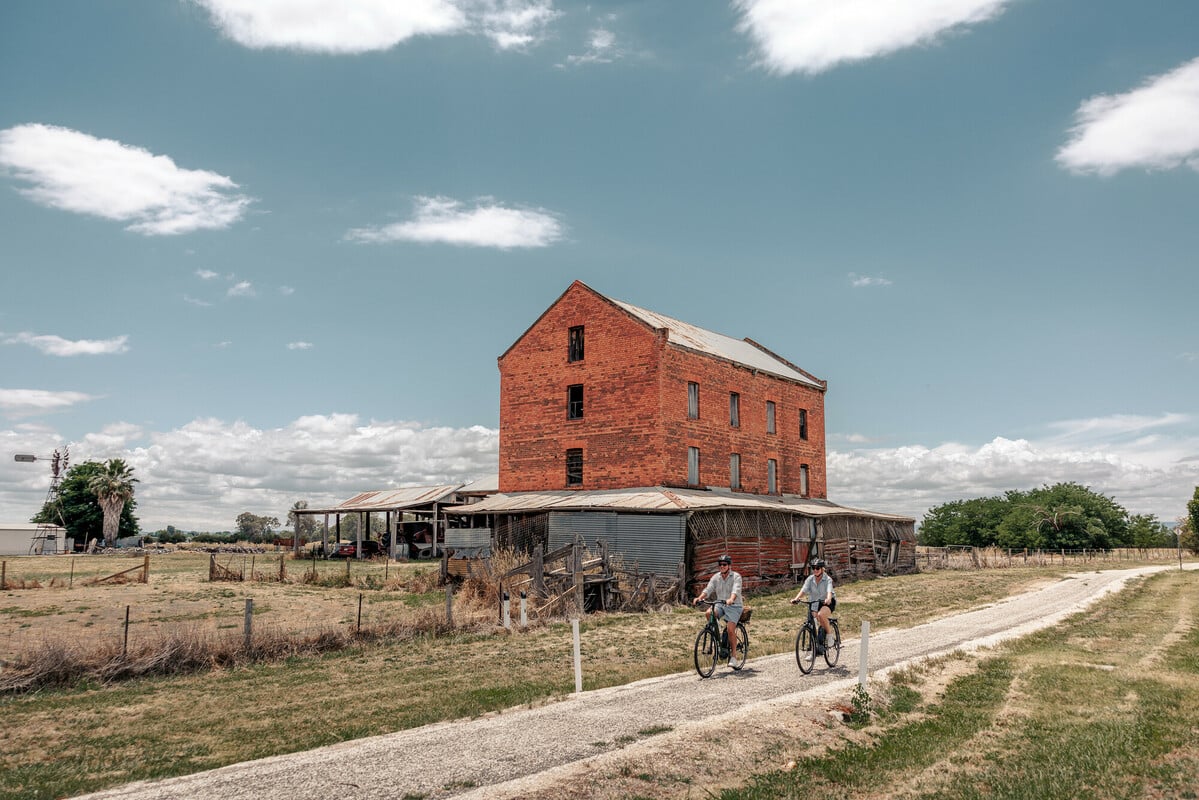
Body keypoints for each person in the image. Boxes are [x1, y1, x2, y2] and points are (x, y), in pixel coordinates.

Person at [692, 554, 743, 663]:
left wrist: (731, 599)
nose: (722, 566)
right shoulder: (716, 577)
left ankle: (733, 656)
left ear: (729, 565)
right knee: (708, 613)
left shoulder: (736, 577)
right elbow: (708, 589)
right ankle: (717, 638)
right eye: (720, 564)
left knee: (730, 629)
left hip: (734, 606)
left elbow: (736, 590)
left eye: (724, 564)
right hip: (720, 604)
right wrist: (700, 598)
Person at [790, 559, 836, 652]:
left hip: (827, 602)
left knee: (820, 615)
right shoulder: (810, 579)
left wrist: (828, 598)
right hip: (814, 603)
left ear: (822, 569)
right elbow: (803, 590)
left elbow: (829, 591)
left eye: (817, 568)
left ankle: (829, 636)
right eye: (813, 568)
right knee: (812, 624)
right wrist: (796, 599)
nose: (815, 570)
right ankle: (814, 648)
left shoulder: (827, 579)